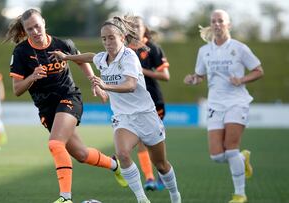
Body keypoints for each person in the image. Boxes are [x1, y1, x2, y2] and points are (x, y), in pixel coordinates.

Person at [49, 15, 181, 203]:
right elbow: (90, 57)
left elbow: (130, 85)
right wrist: (67, 57)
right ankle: (142, 199)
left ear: (122, 37)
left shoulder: (129, 57)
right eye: (104, 38)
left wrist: (105, 86)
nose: (107, 42)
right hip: (124, 118)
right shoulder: (103, 58)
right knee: (122, 153)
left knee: (160, 164)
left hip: (146, 115)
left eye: (111, 37)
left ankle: (175, 195)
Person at [4, 9, 127, 203]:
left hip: (69, 97)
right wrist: (32, 77)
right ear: (25, 31)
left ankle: (65, 198)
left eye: (37, 26)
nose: (35, 31)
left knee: (55, 144)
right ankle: (115, 165)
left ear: (44, 22)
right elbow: (17, 89)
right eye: (30, 29)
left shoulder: (63, 44)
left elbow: (81, 61)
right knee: (81, 154)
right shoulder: (21, 53)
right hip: (47, 109)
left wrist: (95, 83)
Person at [183, 9, 264, 203]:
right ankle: (243, 160)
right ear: (211, 25)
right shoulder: (204, 51)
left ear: (228, 25)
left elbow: (258, 70)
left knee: (231, 149)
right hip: (215, 104)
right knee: (217, 156)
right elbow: (200, 76)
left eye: (221, 21)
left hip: (237, 101)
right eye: (214, 21)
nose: (217, 24)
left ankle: (240, 194)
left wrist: (242, 79)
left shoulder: (239, 48)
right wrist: (193, 79)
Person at [129, 16, 170, 191]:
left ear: (144, 28)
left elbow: (165, 76)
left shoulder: (152, 48)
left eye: (137, 26)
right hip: (134, 103)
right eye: (131, 26)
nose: (134, 29)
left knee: (155, 140)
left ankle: (161, 172)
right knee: (140, 140)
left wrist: (143, 71)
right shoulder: (124, 50)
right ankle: (150, 178)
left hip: (154, 100)